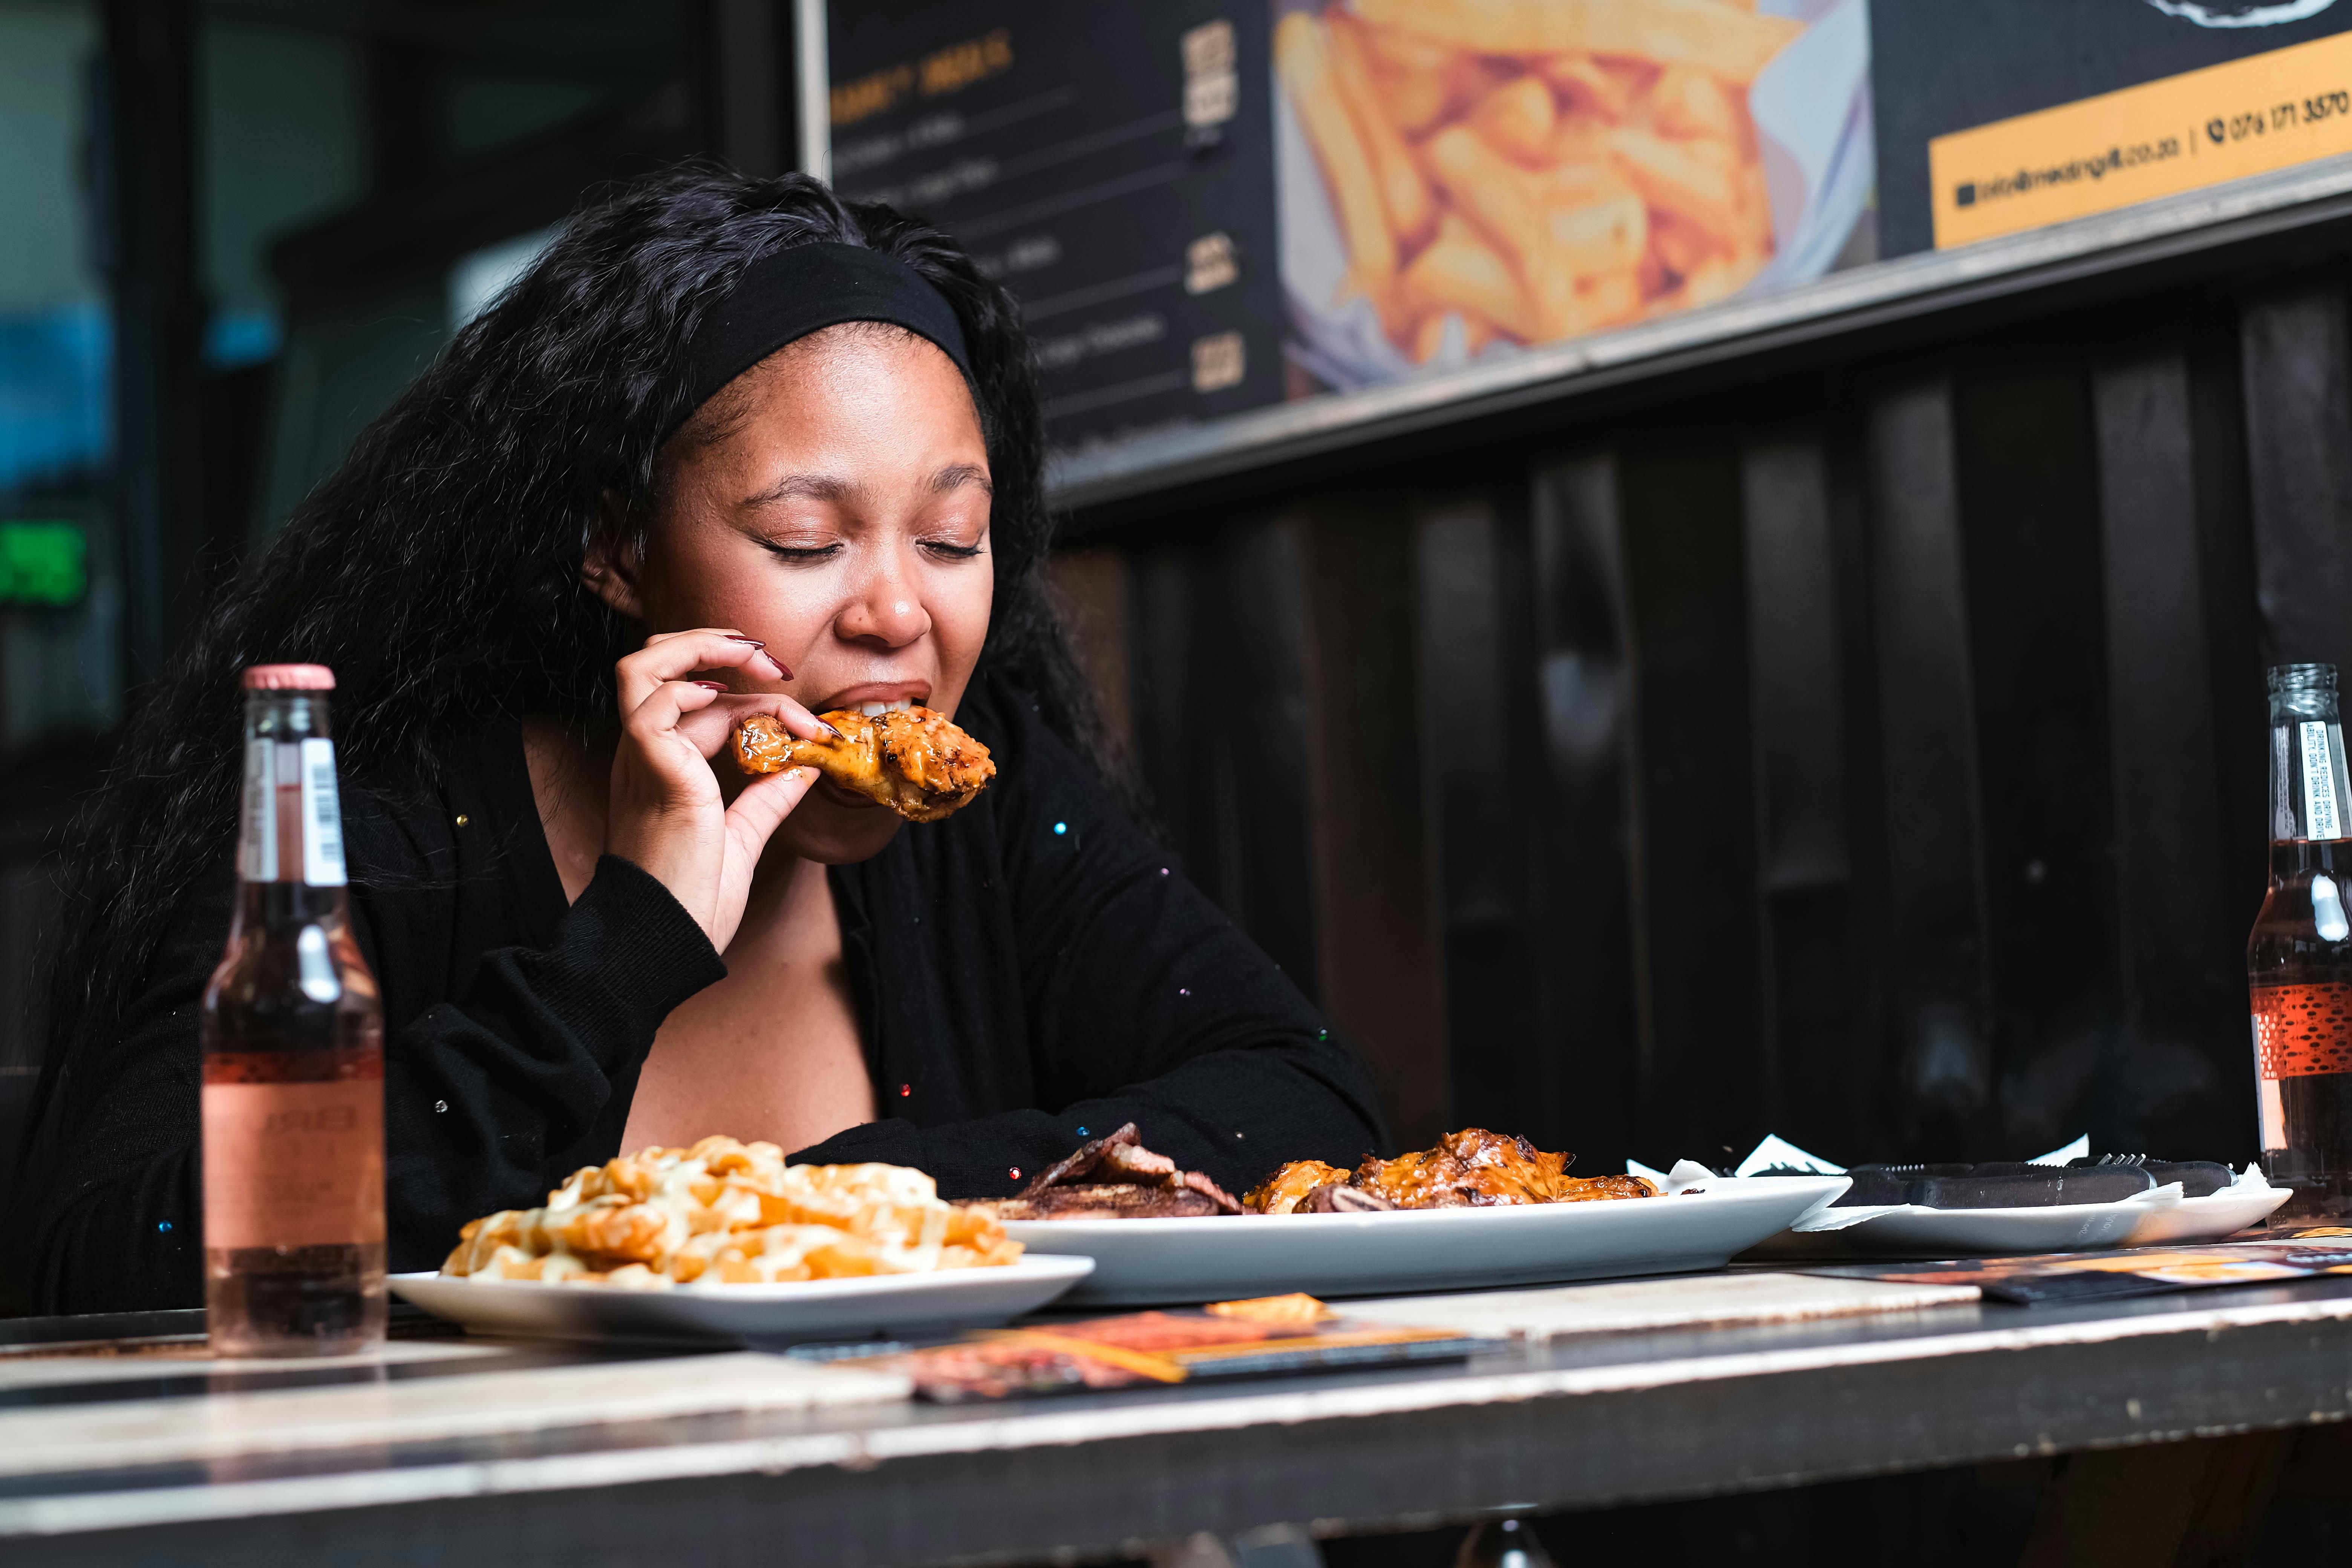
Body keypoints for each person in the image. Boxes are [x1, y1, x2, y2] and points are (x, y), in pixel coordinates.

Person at [15, 167, 1385, 1313]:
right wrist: (627, 941)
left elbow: (1302, 1095)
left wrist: (832, 1203)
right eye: (806, 539)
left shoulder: (998, 800)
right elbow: (114, 1249)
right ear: (617, 547)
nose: (898, 610)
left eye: (952, 539)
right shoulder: (382, 821)